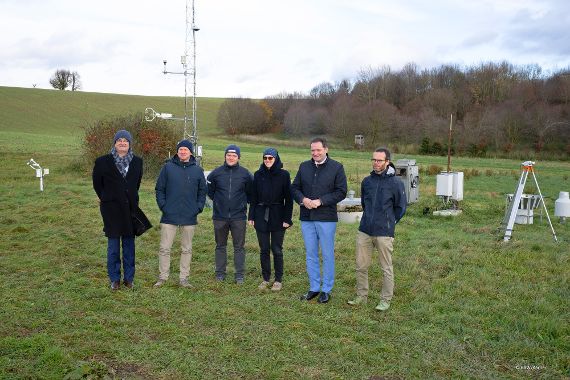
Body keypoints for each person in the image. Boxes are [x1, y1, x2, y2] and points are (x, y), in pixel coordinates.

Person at [347, 147, 406, 311]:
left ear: (387, 162)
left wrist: (389, 223)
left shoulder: (396, 183)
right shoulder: (367, 181)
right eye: (373, 160)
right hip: (365, 229)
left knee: (386, 268)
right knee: (361, 265)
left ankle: (385, 300)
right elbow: (365, 205)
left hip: (384, 233)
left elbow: (400, 208)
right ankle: (361, 296)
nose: (375, 163)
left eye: (379, 160)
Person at [291, 137, 347, 303]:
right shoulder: (304, 166)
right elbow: (294, 188)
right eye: (312, 150)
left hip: (326, 218)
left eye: (318, 150)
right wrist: (303, 199)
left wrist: (320, 201)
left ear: (326, 149)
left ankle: (326, 289)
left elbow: (341, 192)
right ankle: (314, 287)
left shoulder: (337, 167)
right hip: (307, 217)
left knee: (327, 254)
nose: (315, 153)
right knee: (311, 254)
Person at [92, 130, 143, 290]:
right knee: (113, 246)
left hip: (129, 209)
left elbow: (136, 184)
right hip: (111, 209)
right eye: (119, 140)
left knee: (129, 245)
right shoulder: (102, 162)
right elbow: (97, 184)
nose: (122, 143)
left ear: (129, 144)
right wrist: (106, 197)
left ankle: (129, 278)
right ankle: (114, 279)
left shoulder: (137, 162)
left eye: (125, 141)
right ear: (114, 143)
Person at [154, 140, 207, 288]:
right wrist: (164, 206)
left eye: (186, 150)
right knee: (165, 248)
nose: (183, 152)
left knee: (187, 249)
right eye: (180, 149)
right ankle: (163, 277)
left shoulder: (197, 171)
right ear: (177, 152)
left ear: (191, 152)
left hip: (189, 216)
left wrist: (198, 208)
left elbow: (202, 192)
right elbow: (159, 189)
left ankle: (184, 278)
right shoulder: (168, 168)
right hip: (169, 215)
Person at [248, 148, 293, 291]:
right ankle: (266, 278)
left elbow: (289, 199)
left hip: (278, 216)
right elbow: (253, 198)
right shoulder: (258, 174)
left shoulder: (284, 175)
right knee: (264, 249)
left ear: (276, 159)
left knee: (277, 249)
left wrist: (287, 219)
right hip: (261, 215)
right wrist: (251, 216)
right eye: (265, 158)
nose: (267, 160)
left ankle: (278, 280)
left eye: (270, 158)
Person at [207, 144, 253, 284]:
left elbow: (250, 194)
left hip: (238, 217)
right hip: (220, 216)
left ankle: (239, 275)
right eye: (228, 155)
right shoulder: (216, 173)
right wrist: (220, 203)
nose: (231, 157)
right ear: (225, 156)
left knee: (239, 247)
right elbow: (210, 192)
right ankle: (220, 273)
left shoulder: (246, 174)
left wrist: (241, 205)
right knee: (220, 246)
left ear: (238, 157)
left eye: (234, 155)